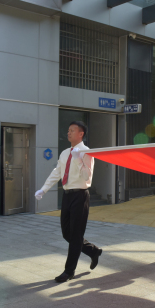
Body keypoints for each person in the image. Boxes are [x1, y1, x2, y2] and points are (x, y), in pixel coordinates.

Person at [35, 121, 103, 283]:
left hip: (80, 195)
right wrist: (44, 189)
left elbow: (87, 176)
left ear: (81, 134)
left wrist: (78, 160)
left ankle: (69, 271)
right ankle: (93, 251)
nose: (68, 133)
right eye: (68, 130)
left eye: (72, 130)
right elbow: (57, 172)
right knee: (67, 233)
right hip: (67, 195)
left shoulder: (87, 152)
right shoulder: (65, 153)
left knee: (76, 234)